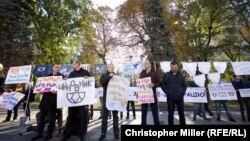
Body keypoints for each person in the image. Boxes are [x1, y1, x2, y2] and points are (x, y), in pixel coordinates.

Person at [31, 63, 64, 141]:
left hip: (54, 100)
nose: (58, 68)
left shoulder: (61, 77)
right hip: (45, 99)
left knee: (52, 119)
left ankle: (49, 134)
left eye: (59, 67)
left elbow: (63, 89)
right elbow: (43, 87)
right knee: (42, 117)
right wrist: (41, 91)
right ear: (53, 68)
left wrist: (57, 91)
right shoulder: (48, 76)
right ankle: (39, 134)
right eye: (56, 67)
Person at [61, 61, 90, 141]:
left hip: (82, 100)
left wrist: (87, 79)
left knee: (82, 118)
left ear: (79, 64)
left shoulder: (85, 72)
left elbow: (90, 84)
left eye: (74, 64)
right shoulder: (71, 73)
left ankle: (82, 134)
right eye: (73, 65)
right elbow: (69, 85)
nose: (73, 66)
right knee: (70, 117)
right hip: (72, 100)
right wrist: (65, 81)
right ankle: (67, 134)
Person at [161, 61, 187, 125]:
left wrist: (182, 92)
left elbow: (184, 85)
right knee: (170, 114)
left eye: (175, 67)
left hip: (180, 98)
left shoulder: (181, 75)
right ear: (170, 67)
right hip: (170, 98)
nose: (174, 69)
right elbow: (162, 84)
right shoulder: (166, 75)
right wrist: (167, 92)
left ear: (177, 67)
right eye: (172, 68)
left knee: (181, 114)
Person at [99, 64, 119, 140]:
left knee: (115, 117)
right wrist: (109, 76)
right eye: (111, 67)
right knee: (104, 118)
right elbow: (102, 82)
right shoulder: (104, 75)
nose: (112, 68)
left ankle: (116, 133)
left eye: (113, 67)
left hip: (115, 99)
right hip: (106, 100)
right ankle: (103, 133)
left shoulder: (116, 76)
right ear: (108, 68)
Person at [139, 60, 160, 125]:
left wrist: (154, 84)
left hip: (152, 96)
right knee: (143, 113)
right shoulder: (142, 73)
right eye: (144, 64)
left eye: (146, 64)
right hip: (144, 96)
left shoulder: (155, 72)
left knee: (155, 113)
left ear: (150, 64)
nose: (145, 65)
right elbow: (140, 83)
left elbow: (159, 83)